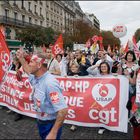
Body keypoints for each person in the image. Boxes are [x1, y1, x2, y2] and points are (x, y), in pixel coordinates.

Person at [16, 49, 68, 140]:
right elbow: (27, 69)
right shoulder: (36, 76)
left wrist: (53, 133)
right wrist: (21, 59)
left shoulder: (50, 84)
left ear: (39, 65)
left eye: (31, 62)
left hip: (50, 124)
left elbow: (63, 111)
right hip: (41, 122)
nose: (29, 64)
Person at [87, 61, 112, 134]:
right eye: (102, 67)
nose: (103, 68)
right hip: (98, 96)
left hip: (108, 96)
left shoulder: (111, 75)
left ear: (108, 68)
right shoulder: (97, 74)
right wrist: (96, 65)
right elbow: (88, 70)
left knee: (106, 111)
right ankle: (101, 126)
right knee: (99, 110)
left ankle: (105, 125)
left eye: (105, 67)